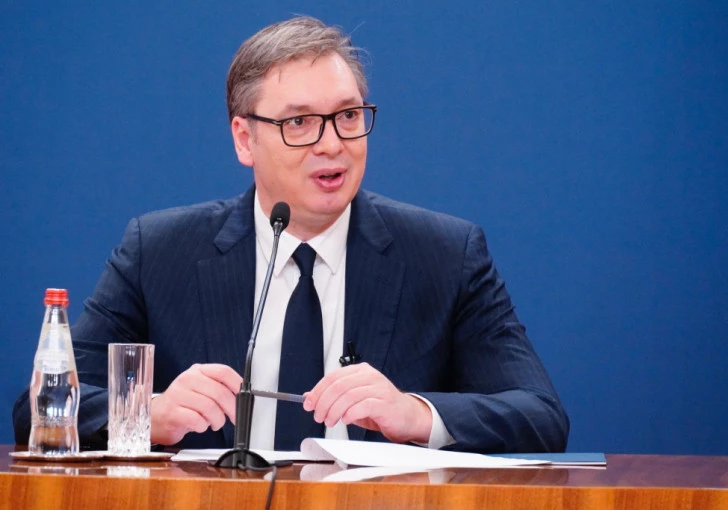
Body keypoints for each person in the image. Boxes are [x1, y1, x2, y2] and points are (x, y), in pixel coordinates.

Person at [13, 16, 569, 453]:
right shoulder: (158, 252)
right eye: (299, 122)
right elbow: (40, 408)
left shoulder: (445, 255)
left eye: (348, 116)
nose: (332, 144)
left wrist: (416, 414)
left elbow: (541, 416)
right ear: (244, 139)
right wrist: (146, 415)